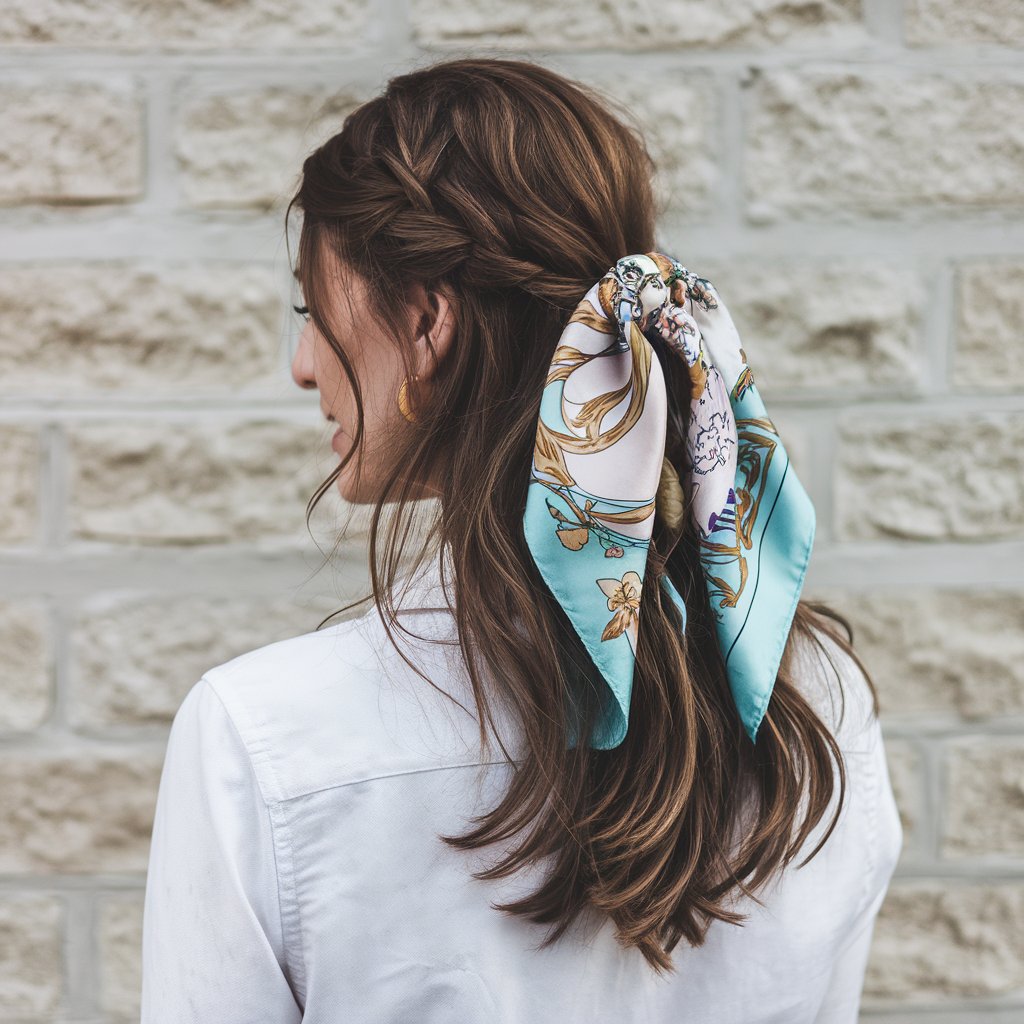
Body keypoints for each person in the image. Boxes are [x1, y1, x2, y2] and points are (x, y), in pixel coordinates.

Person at [140, 57, 902, 1023]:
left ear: (426, 320)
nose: (302, 367)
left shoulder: (257, 744)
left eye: (312, 310)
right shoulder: (819, 706)